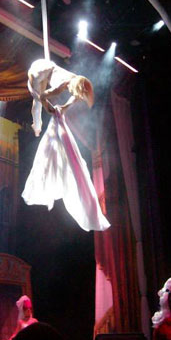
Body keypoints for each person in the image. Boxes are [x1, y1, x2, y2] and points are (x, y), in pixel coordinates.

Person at [22, 58, 110, 232]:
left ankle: (37, 124)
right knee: (37, 104)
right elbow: (42, 97)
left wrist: (63, 108)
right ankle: (36, 125)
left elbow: (75, 98)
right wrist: (51, 108)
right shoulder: (62, 85)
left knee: (41, 103)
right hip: (37, 72)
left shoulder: (77, 80)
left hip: (47, 69)